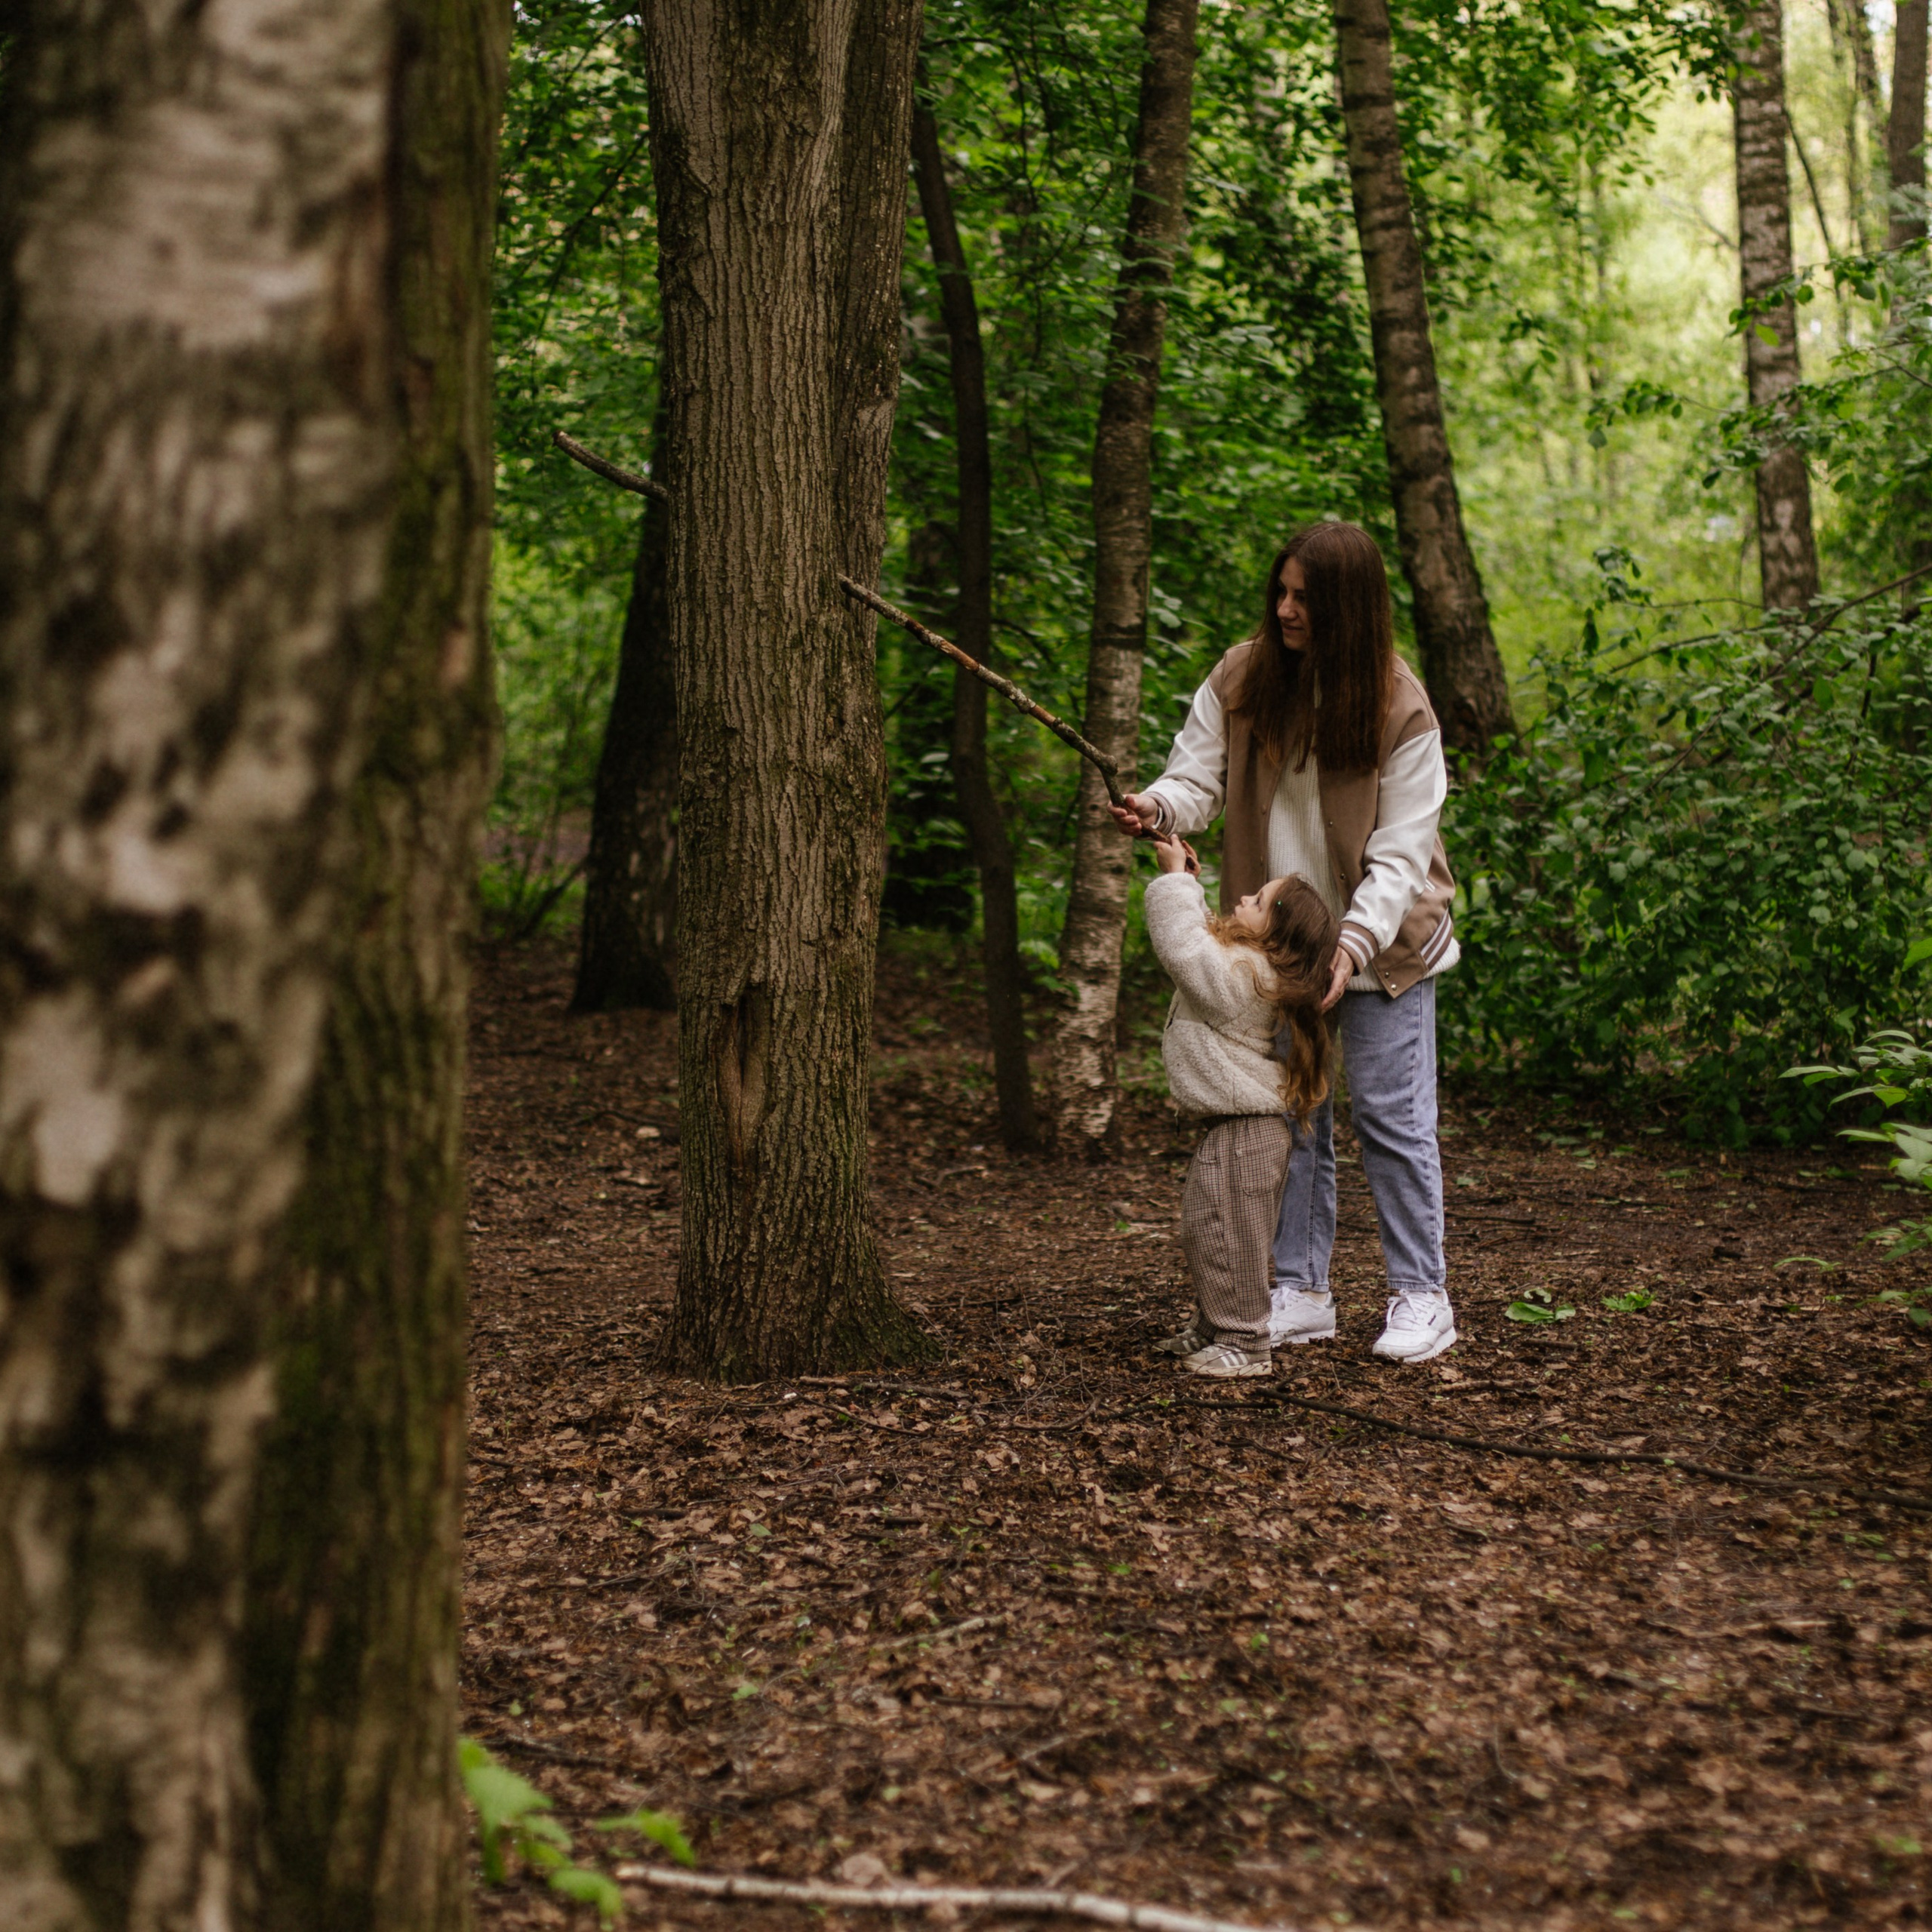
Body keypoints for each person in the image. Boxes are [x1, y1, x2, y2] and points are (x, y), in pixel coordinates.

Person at [1112, 521, 1460, 1364]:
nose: (1285, 608)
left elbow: (1401, 857)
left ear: (1348, 609)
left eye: (1305, 597)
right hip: (1278, 947)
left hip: (1379, 945)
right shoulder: (1243, 675)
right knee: (1292, 1116)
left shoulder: (1400, 705)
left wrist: (1350, 946)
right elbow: (1196, 776)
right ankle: (1302, 1288)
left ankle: (1423, 1295)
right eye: (1281, 591)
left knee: (1391, 1119)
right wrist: (1158, 807)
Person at [1141, 833, 1338, 1378]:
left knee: (1230, 1231)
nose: (1244, 898)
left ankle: (1245, 1340)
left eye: (1257, 901)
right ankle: (1214, 1324)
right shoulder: (1251, 967)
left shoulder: (1250, 977)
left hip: (1246, 1131)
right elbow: (1208, 947)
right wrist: (1193, 883)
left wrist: (1177, 883)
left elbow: (1185, 949)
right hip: (1235, 1127)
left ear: (1277, 935)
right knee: (1209, 1225)